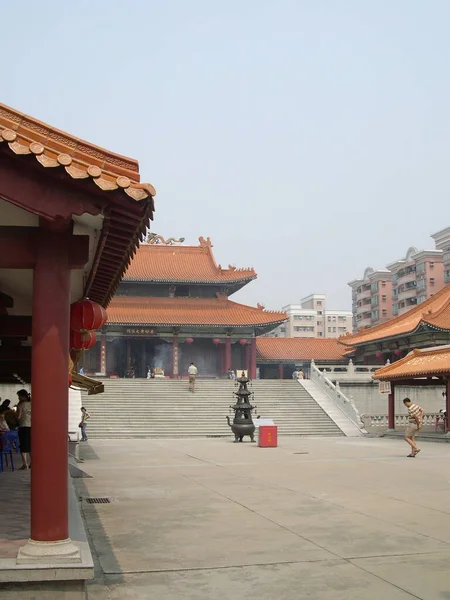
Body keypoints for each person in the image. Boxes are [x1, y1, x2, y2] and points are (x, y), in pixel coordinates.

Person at [16, 389, 31, 470]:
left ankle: (25, 464)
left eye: (19, 396)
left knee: (23, 445)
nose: (18, 398)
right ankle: (32, 463)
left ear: (22, 396)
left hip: (23, 426)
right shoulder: (32, 403)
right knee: (31, 444)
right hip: (32, 426)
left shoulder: (21, 405)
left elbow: (18, 417)